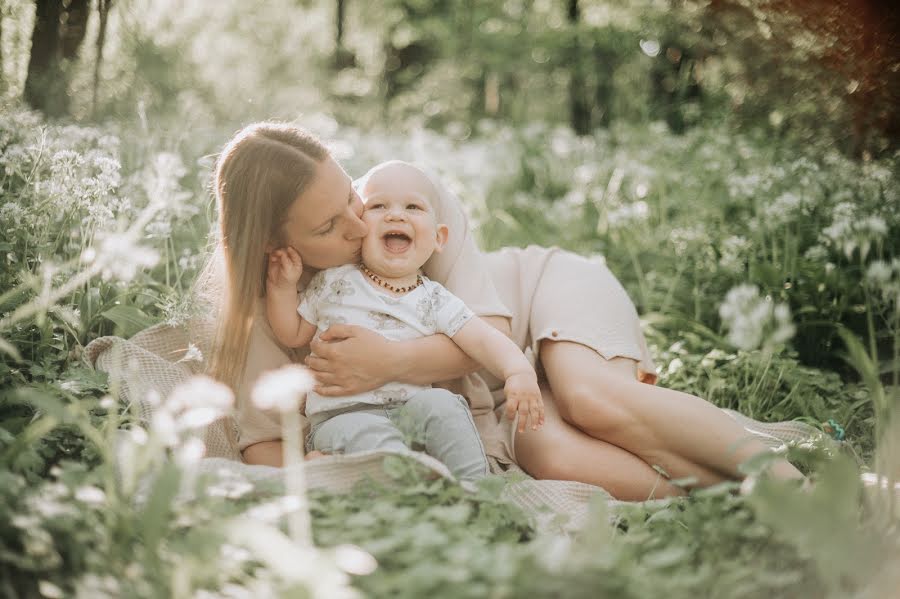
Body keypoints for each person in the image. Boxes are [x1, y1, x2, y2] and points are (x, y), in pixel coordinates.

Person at [203, 122, 804, 501]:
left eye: (350, 198)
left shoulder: (404, 209)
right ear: (271, 245)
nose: (362, 223)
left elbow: (488, 333)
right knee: (549, 452)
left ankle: (776, 473)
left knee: (587, 397)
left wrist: (385, 363)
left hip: (543, 298)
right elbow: (263, 450)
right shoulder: (263, 310)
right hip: (493, 392)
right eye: (332, 224)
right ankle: (729, 496)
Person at [262, 161, 544, 481]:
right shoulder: (335, 282)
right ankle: (409, 493)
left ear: (439, 238)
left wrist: (518, 370)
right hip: (342, 417)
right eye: (378, 206)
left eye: (413, 206)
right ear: (358, 229)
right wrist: (281, 288)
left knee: (444, 404)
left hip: (412, 411)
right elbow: (293, 333)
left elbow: (482, 338)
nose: (396, 214)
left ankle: (476, 489)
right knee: (375, 442)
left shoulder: (434, 299)